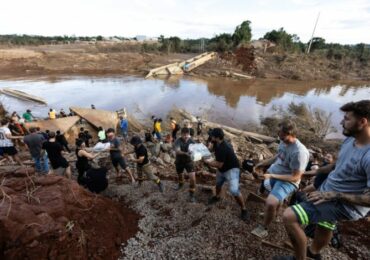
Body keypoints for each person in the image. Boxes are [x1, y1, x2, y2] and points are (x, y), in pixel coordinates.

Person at [275, 100, 370, 260]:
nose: (341, 122)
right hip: (329, 193)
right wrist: (312, 172)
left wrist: (334, 195)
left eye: (347, 118)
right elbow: (337, 165)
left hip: (344, 205)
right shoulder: (350, 140)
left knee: (289, 216)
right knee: (325, 224)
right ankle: (314, 252)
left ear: (362, 122)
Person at [251, 120, 309, 238]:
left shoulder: (299, 152)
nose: (279, 136)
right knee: (276, 199)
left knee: (271, 202)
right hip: (276, 173)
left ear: (290, 133)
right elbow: (278, 157)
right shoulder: (283, 142)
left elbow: (295, 177)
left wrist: (271, 176)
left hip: (288, 180)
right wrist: (262, 163)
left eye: (281, 134)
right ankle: (274, 214)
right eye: (279, 133)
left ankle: (264, 228)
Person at [204, 128, 249, 221]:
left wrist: (208, 162)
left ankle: (244, 209)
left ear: (217, 137)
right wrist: (207, 146)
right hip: (222, 169)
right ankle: (217, 197)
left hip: (232, 169)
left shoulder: (224, 147)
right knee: (218, 184)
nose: (210, 136)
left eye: (212, 135)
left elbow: (219, 164)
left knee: (234, 190)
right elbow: (211, 150)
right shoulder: (217, 143)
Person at [174, 127, 197, 202]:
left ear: (189, 134)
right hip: (179, 161)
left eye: (187, 134)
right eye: (184, 135)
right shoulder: (178, 141)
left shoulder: (191, 141)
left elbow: (195, 150)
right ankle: (181, 184)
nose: (186, 136)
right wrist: (185, 153)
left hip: (189, 162)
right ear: (181, 135)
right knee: (180, 175)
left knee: (193, 178)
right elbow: (177, 151)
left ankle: (192, 193)